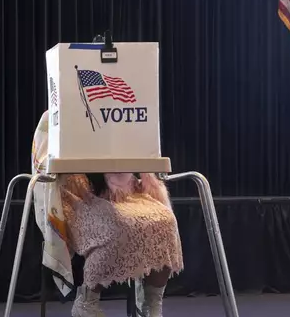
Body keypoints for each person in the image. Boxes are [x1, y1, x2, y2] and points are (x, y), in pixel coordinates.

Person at [32, 110, 183, 317]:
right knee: (116, 228)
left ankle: (151, 305)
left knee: (165, 220)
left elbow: (140, 148)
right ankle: (87, 302)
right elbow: (43, 160)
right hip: (78, 194)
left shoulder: (118, 110)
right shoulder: (56, 114)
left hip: (124, 192)